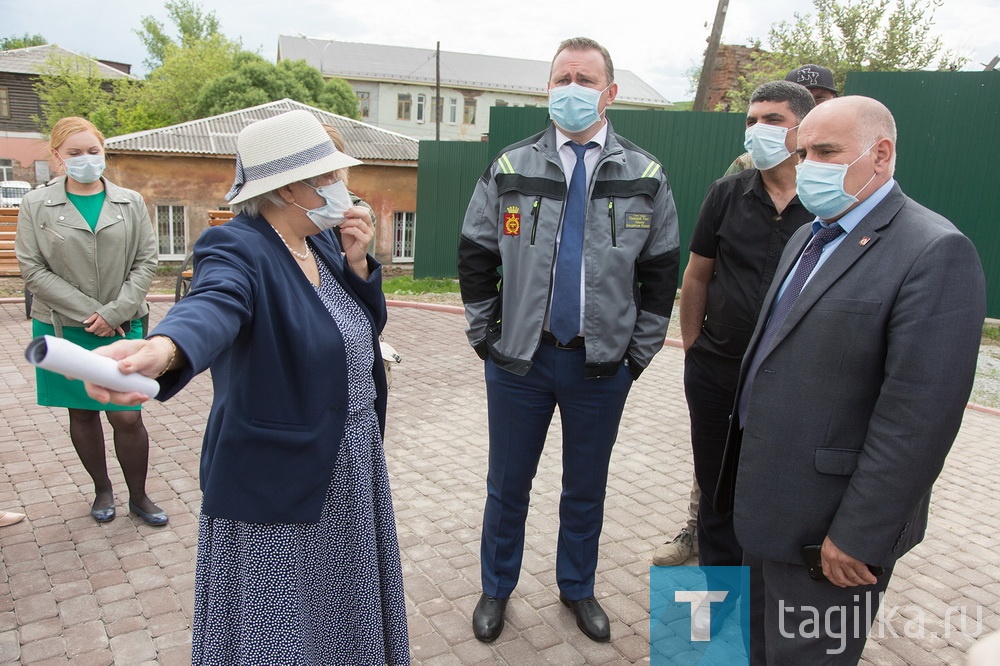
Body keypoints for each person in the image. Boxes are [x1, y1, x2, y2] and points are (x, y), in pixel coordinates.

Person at [83, 109, 409, 665]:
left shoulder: (324, 244)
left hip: (349, 468)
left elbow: (359, 329)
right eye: (327, 178)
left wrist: (359, 266)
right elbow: (213, 306)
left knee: (343, 624)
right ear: (286, 190)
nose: (341, 188)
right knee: (280, 634)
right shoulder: (237, 247)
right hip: (276, 482)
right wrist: (164, 351)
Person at [716, 96, 986, 663]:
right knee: (750, 649)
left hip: (831, 537)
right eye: (805, 151)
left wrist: (861, 534)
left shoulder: (935, 251)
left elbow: (919, 418)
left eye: (827, 151)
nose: (809, 164)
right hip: (764, 508)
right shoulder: (809, 236)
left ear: (880, 154)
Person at [458, 37, 680, 643]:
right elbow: (476, 253)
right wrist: (487, 337)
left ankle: (577, 587)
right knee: (507, 485)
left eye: (585, 79)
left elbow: (661, 274)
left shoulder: (645, 175)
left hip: (599, 368)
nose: (571, 88)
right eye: (562, 78)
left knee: (586, 487)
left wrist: (638, 353)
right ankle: (496, 589)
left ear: (610, 93)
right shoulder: (510, 166)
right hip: (519, 364)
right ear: (548, 89)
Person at [654, 81, 816, 572]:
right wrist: (694, 348)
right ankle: (717, 615)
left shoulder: (829, 202)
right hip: (718, 371)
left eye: (773, 121)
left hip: (793, 380)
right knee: (715, 493)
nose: (758, 130)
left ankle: (765, 611)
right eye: (752, 120)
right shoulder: (727, 193)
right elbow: (697, 274)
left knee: (774, 495)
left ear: (802, 131)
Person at [15, 117, 163, 526]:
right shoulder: (35, 205)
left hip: (123, 323)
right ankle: (102, 490)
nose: (85, 160)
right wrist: (88, 312)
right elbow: (32, 268)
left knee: (127, 414)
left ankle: (139, 495)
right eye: (75, 153)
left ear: (104, 152)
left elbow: (146, 261)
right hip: (63, 327)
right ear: (57, 157)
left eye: (93, 151)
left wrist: (114, 312)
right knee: (81, 412)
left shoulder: (130, 201)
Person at [722, 63, 839, 178]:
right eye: (801, 99)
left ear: (835, 100)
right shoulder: (748, 164)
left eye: (819, 98)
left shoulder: (847, 157)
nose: (811, 105)